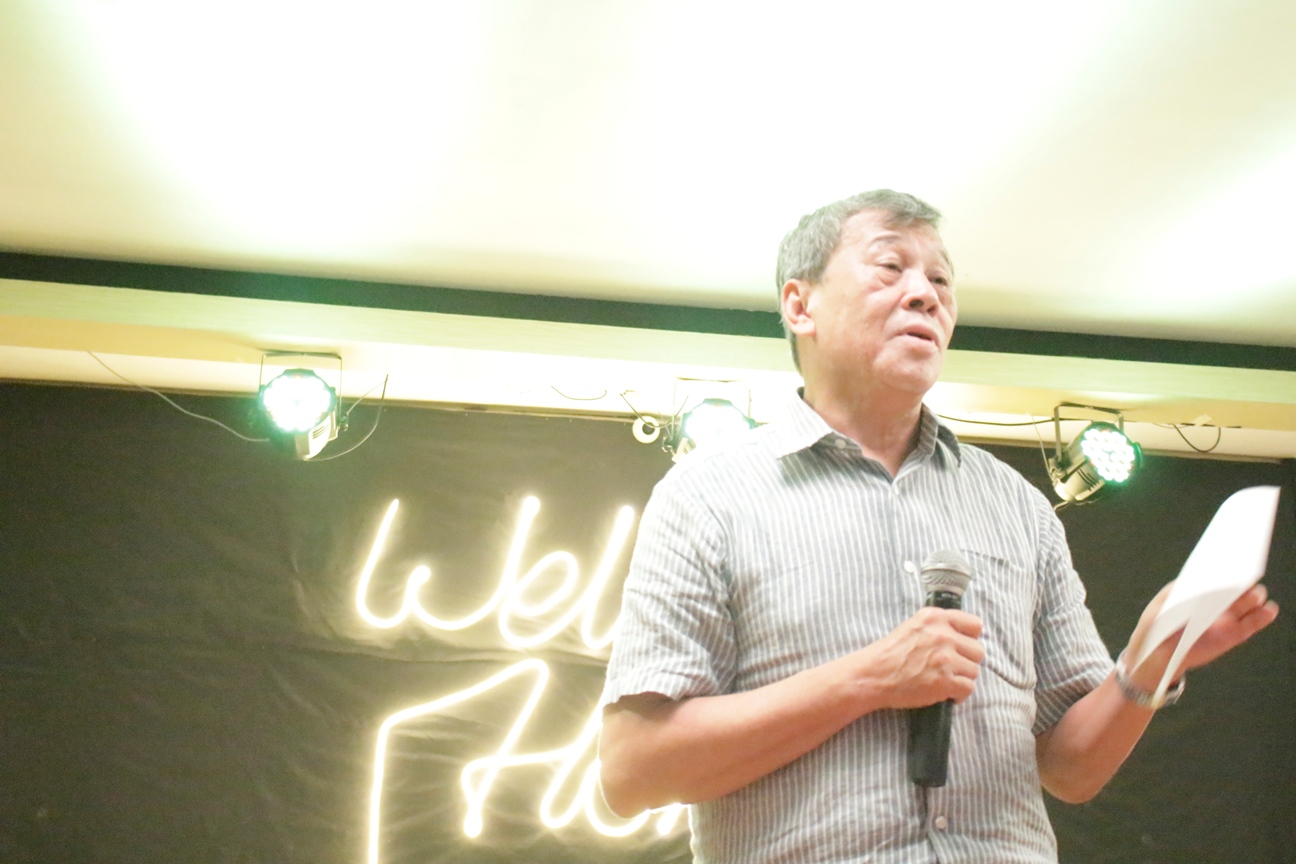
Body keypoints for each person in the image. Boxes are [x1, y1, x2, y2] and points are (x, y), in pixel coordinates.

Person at [596, 189, 1279, 863]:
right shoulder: (707, 496)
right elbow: (633, 771)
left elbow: (1071, 771)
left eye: (941, 280)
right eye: (890, 268)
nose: (925, 294)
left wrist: (1148, 663)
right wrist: (870, 679)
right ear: (800, 306)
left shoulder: (1018, 506)